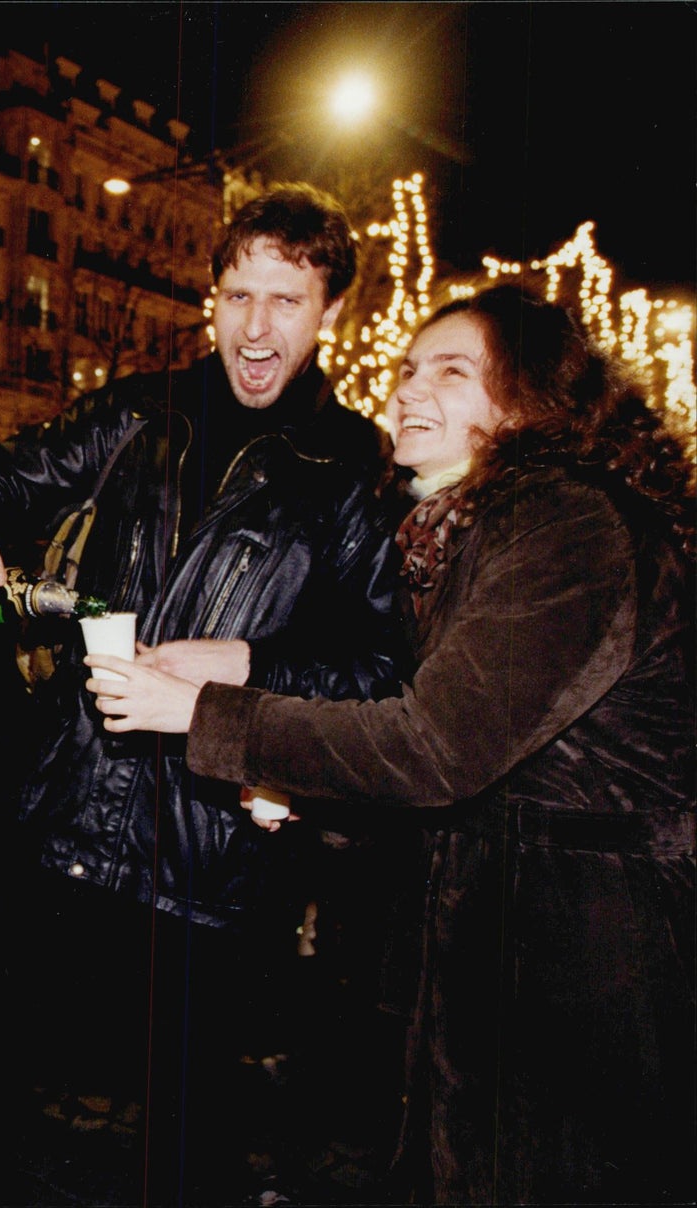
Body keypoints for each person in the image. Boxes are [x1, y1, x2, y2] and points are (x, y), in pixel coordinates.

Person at [84, 283, 695, 1205]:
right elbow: (477, 764)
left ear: (533, 402)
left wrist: (207, 714)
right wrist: (310, 794)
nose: (409, 389)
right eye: (410, 368)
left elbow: (436, 747)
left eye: (452, 372)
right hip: (511, 961)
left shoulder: (568, 523)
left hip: (595, 972)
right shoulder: (469, 532)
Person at [0, 183, 400, 1204]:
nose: (253, 327)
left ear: (328, 315)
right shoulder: (144, 410)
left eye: (285, 300)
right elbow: (8, 474)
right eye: (235, 295)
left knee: (184, 1142)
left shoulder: (350, 468)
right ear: (211, 297)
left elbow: (378, 665)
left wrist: (244, 661)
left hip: (204, 859)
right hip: (56, 821)